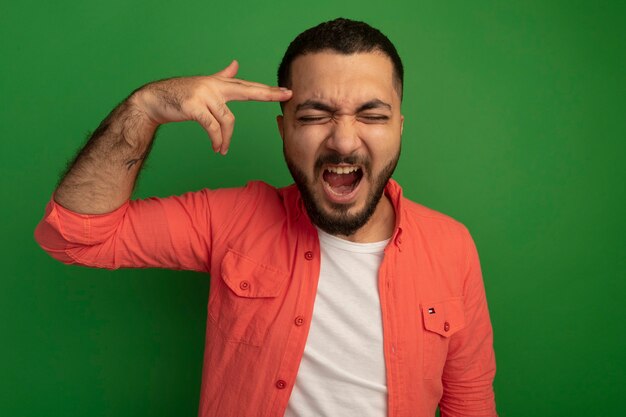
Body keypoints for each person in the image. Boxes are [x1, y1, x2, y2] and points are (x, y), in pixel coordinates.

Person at [34, 18, 497, 417]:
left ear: (399, 127)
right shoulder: (233, 219)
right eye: (315, 115)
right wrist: (146, 107)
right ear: (283, 129)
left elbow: (470, 403)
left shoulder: (452, 247)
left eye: (371, 116)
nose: (343, 140)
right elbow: (74, 236)